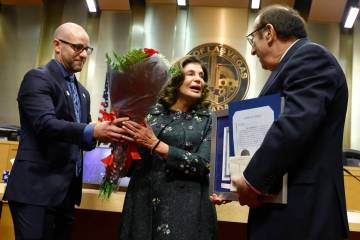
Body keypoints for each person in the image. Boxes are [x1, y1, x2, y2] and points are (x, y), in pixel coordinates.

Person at [225, 5, 349, 240]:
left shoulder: (310, 56)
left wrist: (250, 181)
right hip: (285, 211)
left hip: (304, 214)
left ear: (269, 33)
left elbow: (294, 125)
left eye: (253, 40)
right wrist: (228, 186)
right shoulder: (292, 64)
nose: (252, 52)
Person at [4, 22, 128, 239]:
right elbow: (45, 124)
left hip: (66, 195)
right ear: (57, 45)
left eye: (87, 49)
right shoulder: (38, 78)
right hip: (35, 192)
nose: (83, 55)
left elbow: (85, 139)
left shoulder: (83, 93)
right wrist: (93, 131)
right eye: (77, 47)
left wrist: (109, 132)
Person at [118, 55, 218, 240]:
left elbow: (204, 164)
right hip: (144, 201)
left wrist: (157, 145)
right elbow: (133, 162)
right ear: (176, 79)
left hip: (188, 206)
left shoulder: (210, 120)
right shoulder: (148, 113)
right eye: (190, 73)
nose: (198, 79)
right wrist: (120, 145)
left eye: (201, 75)